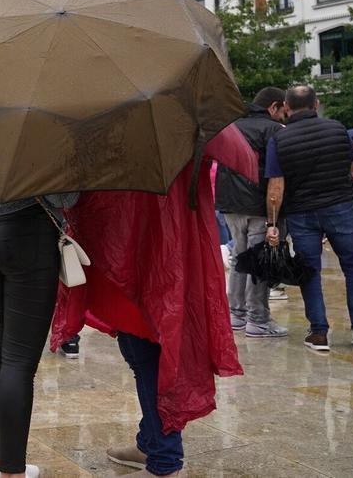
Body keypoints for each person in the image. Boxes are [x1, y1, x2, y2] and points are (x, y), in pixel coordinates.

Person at [53, 125, 253, 478]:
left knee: (148, 351)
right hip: (143, 249)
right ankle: (150, 441)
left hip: (152, 252)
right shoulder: (181, 117)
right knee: (142, 348)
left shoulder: (168, 120)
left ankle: (164, 459)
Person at [0, 180, 77, 478]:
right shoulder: (41, 131)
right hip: (27, 233)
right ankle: (12, 471)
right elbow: (64, 194)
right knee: (18, 361)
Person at [265, 85, 353, 351]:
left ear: (287, 108)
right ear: (316, 104)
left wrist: (272, 224)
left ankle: (319, 333)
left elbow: (276, 187)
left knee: (309, 273)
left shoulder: (279, 140)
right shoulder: (338, 129)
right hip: (340, 207)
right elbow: (351, 168)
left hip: (302, 213)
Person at [215, 86, 288, 338]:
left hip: (229, 203)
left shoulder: (231, 126)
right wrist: (274, 216)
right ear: (273, 106)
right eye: (282, 111)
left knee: (239, 257)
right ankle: (258, 319)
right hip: (259, 205)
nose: (283, 116)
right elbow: (276, 176)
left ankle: (236, 315)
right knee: (259, 261)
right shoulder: (274, 130)